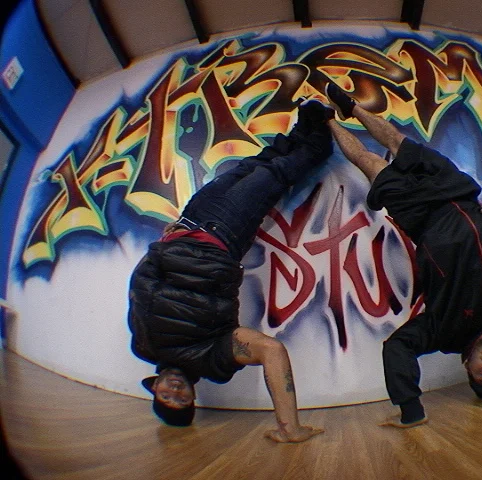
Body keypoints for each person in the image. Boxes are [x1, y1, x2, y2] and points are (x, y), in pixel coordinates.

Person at [324, 83, 482, 428]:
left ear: (467, 367)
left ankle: (327, 120)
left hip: (419, 214)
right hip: (460, 192)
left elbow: (398, 347)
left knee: (370, 161)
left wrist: (411, 409)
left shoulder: (446, 334)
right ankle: (352, 107)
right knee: (397, 141)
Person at [128, 100, 334, 442]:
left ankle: (302, 130)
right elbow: (271, 351)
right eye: (182, 400)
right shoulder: (214, 361)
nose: (175, 392)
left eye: (166, 397)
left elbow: (140, 289)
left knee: (252, 165)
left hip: (188, 222)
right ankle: (318, 141)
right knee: (273, 175)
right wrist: (290, 428)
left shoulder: (144, 345)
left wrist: (161, 246)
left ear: (155, 388)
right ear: (194, 396)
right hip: (223, 234)